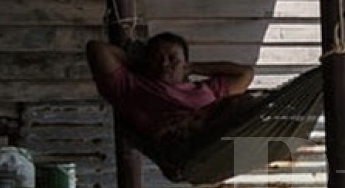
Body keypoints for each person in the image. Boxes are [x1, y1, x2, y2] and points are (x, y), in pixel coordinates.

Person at [85, 32, 257, 166]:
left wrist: (194, 68)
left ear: (185, 63)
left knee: (246, 104)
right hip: (181, 147)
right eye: (157, 58)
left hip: (215, 139)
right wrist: (139, 65)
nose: (165, 64)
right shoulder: (132, 87)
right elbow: (96, 48)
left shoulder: (207, 89)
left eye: (173, 59)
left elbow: (245, 73)